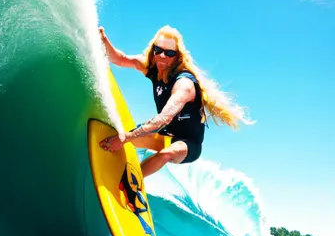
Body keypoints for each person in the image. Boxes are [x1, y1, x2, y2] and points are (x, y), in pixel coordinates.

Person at [98, 25, 253, 177]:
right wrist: (103, 39)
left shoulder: (184, 84)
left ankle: (132, 184)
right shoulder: (152, 67)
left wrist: (126, 137)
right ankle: (117, 165)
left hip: (187, 145)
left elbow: (164, 118)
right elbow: (120, 59)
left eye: (169, 53)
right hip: (165, 136)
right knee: (122, 136)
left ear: (177, 56)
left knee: (165, 154)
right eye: (158, 50)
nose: (162, 56)